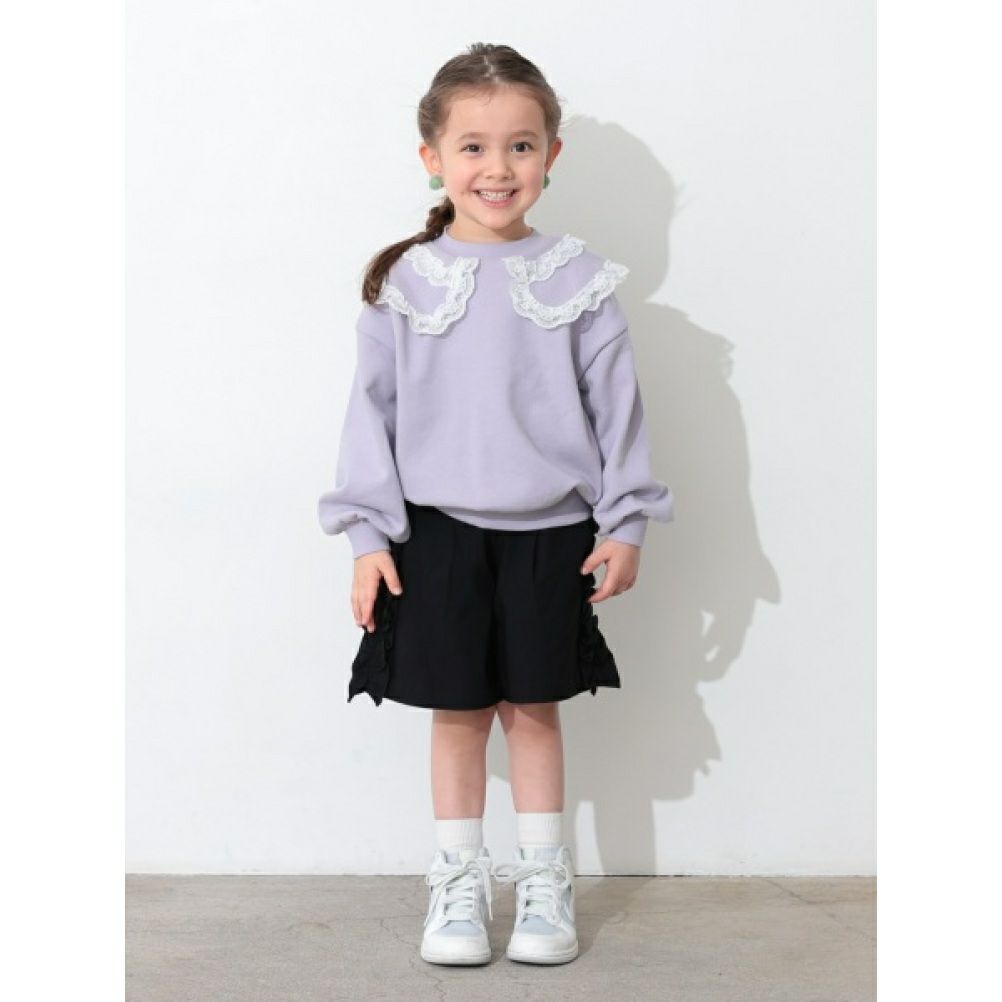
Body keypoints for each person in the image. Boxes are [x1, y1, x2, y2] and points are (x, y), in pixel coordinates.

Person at [317, 42, 674, 967]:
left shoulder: (580, 280)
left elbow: (618, 410)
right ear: (432, 157)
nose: (497, 167)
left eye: (520, 145)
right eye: (473, 147)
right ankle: (459, 885)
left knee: (535, 710)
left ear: (551, 154)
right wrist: (367, 538)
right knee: (458, 715)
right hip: (434, 536)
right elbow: (370, 417)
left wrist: (625, 520)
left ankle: (545, 883)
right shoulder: (403, 283)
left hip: (552, 533)